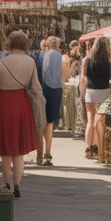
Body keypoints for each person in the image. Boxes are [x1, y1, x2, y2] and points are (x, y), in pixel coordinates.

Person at [0, 31, 41, 198]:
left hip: (3, 105)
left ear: (9, 43)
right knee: (19, 150)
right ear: (25, 44)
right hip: (22, 104)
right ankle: (17, 185)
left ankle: (7, 184)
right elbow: (37, 87)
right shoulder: (31, 61)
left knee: (6, 150)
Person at [80, 37, 111, 160]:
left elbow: (83, 78)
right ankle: (99, 147)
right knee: (100, 120)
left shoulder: (87, 59)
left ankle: (89, 147)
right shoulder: (107, 61)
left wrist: (82, 93)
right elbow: (109, 76)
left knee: (90, 119)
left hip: (91, 91)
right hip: (103, 91)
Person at [38, 36, 64, 166]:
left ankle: (39, 152)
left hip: (42, 90)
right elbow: (64, 77)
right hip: (55, 90)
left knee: (41, 121)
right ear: (57, 45)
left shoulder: (40, 56)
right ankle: (47, 154)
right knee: (49, 122)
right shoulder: (61, 57)